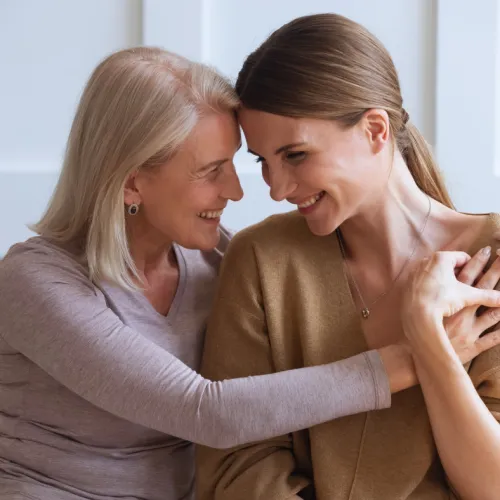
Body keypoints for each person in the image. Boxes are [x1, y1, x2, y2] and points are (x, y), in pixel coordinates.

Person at [1, 46, 474, 500]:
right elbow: (206, 411)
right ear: (132, 181)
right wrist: (423, 355)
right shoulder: (34, 283)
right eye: (211, 171)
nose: (236, 192)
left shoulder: (220, 259)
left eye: (235, 163)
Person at [195, 14, 500, 500]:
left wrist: (429, 340)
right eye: (263, 162)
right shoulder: (261, 259)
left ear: (375, 130)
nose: (276, 190)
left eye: (294, 155)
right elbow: (237, 462)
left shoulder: (492, 258)